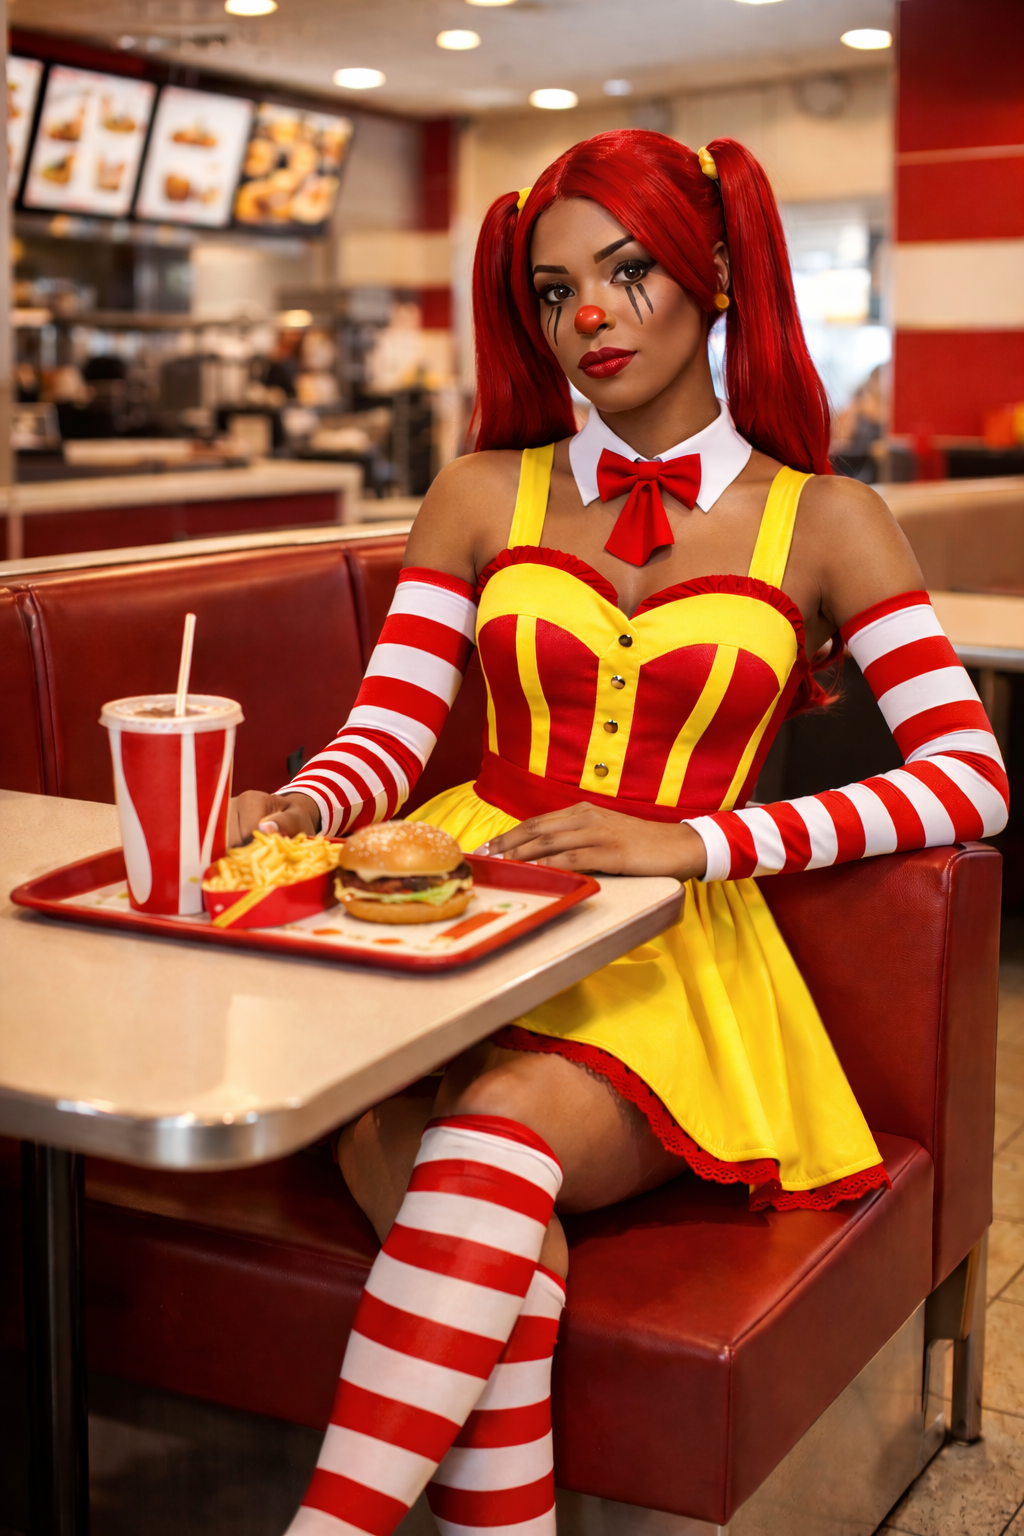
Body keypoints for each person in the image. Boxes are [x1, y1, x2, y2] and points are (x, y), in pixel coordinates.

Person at [231, 132, 1008, 1536]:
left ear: (714, 277)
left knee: (485, 1154)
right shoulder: (481, 492)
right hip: (452, 926)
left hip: (668, 962)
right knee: (496, 1250)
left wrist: (704, 846)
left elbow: (971, 777)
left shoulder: (827, 519)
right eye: (551, 288)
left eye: (629, 270)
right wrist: (299, 808)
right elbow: (387, 737)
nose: (586, 314)